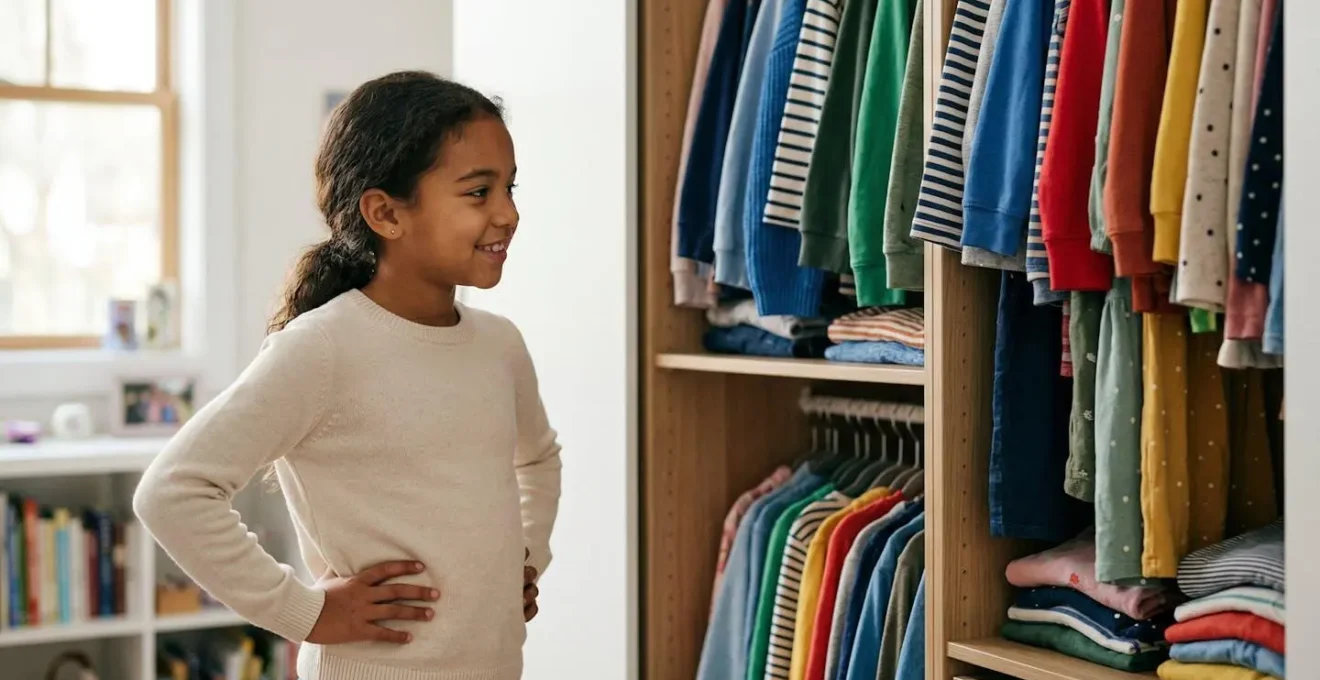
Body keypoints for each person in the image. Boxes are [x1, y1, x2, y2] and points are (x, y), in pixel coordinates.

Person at [133, 72, 563, 680]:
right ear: (385, 213)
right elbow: (173, 491)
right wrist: (304, 612)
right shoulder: (323, 348)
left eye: (510, 188)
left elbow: (539, 457)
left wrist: (524, 558)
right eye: (478, 192)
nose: (509, 214)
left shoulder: (499, 345)